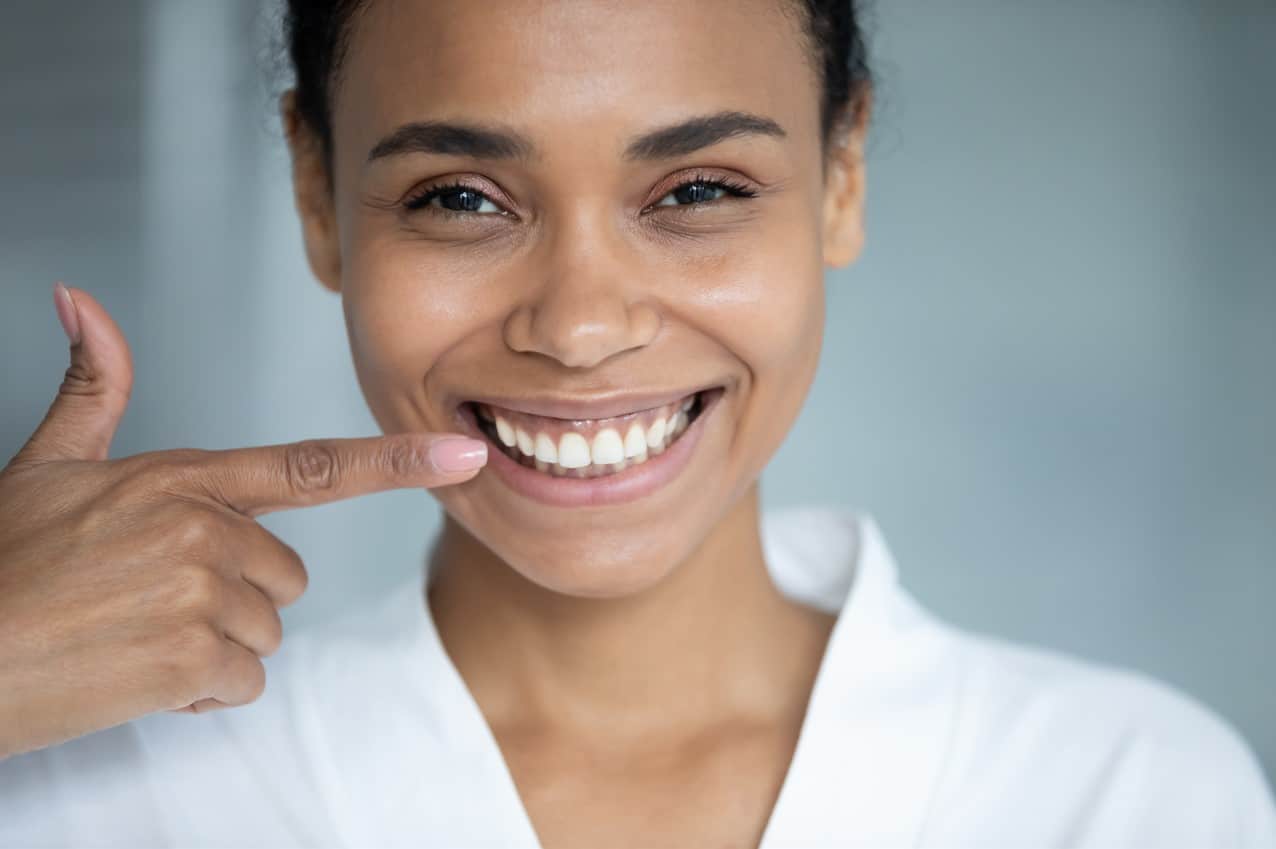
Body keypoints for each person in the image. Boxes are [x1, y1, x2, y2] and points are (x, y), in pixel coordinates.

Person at [1, 0, 1273, 846]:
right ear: (318, 193)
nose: (581, 324)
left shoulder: (1131, 797)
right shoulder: (91, 791)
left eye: (699, 189)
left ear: (841, 173)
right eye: (460, 198)